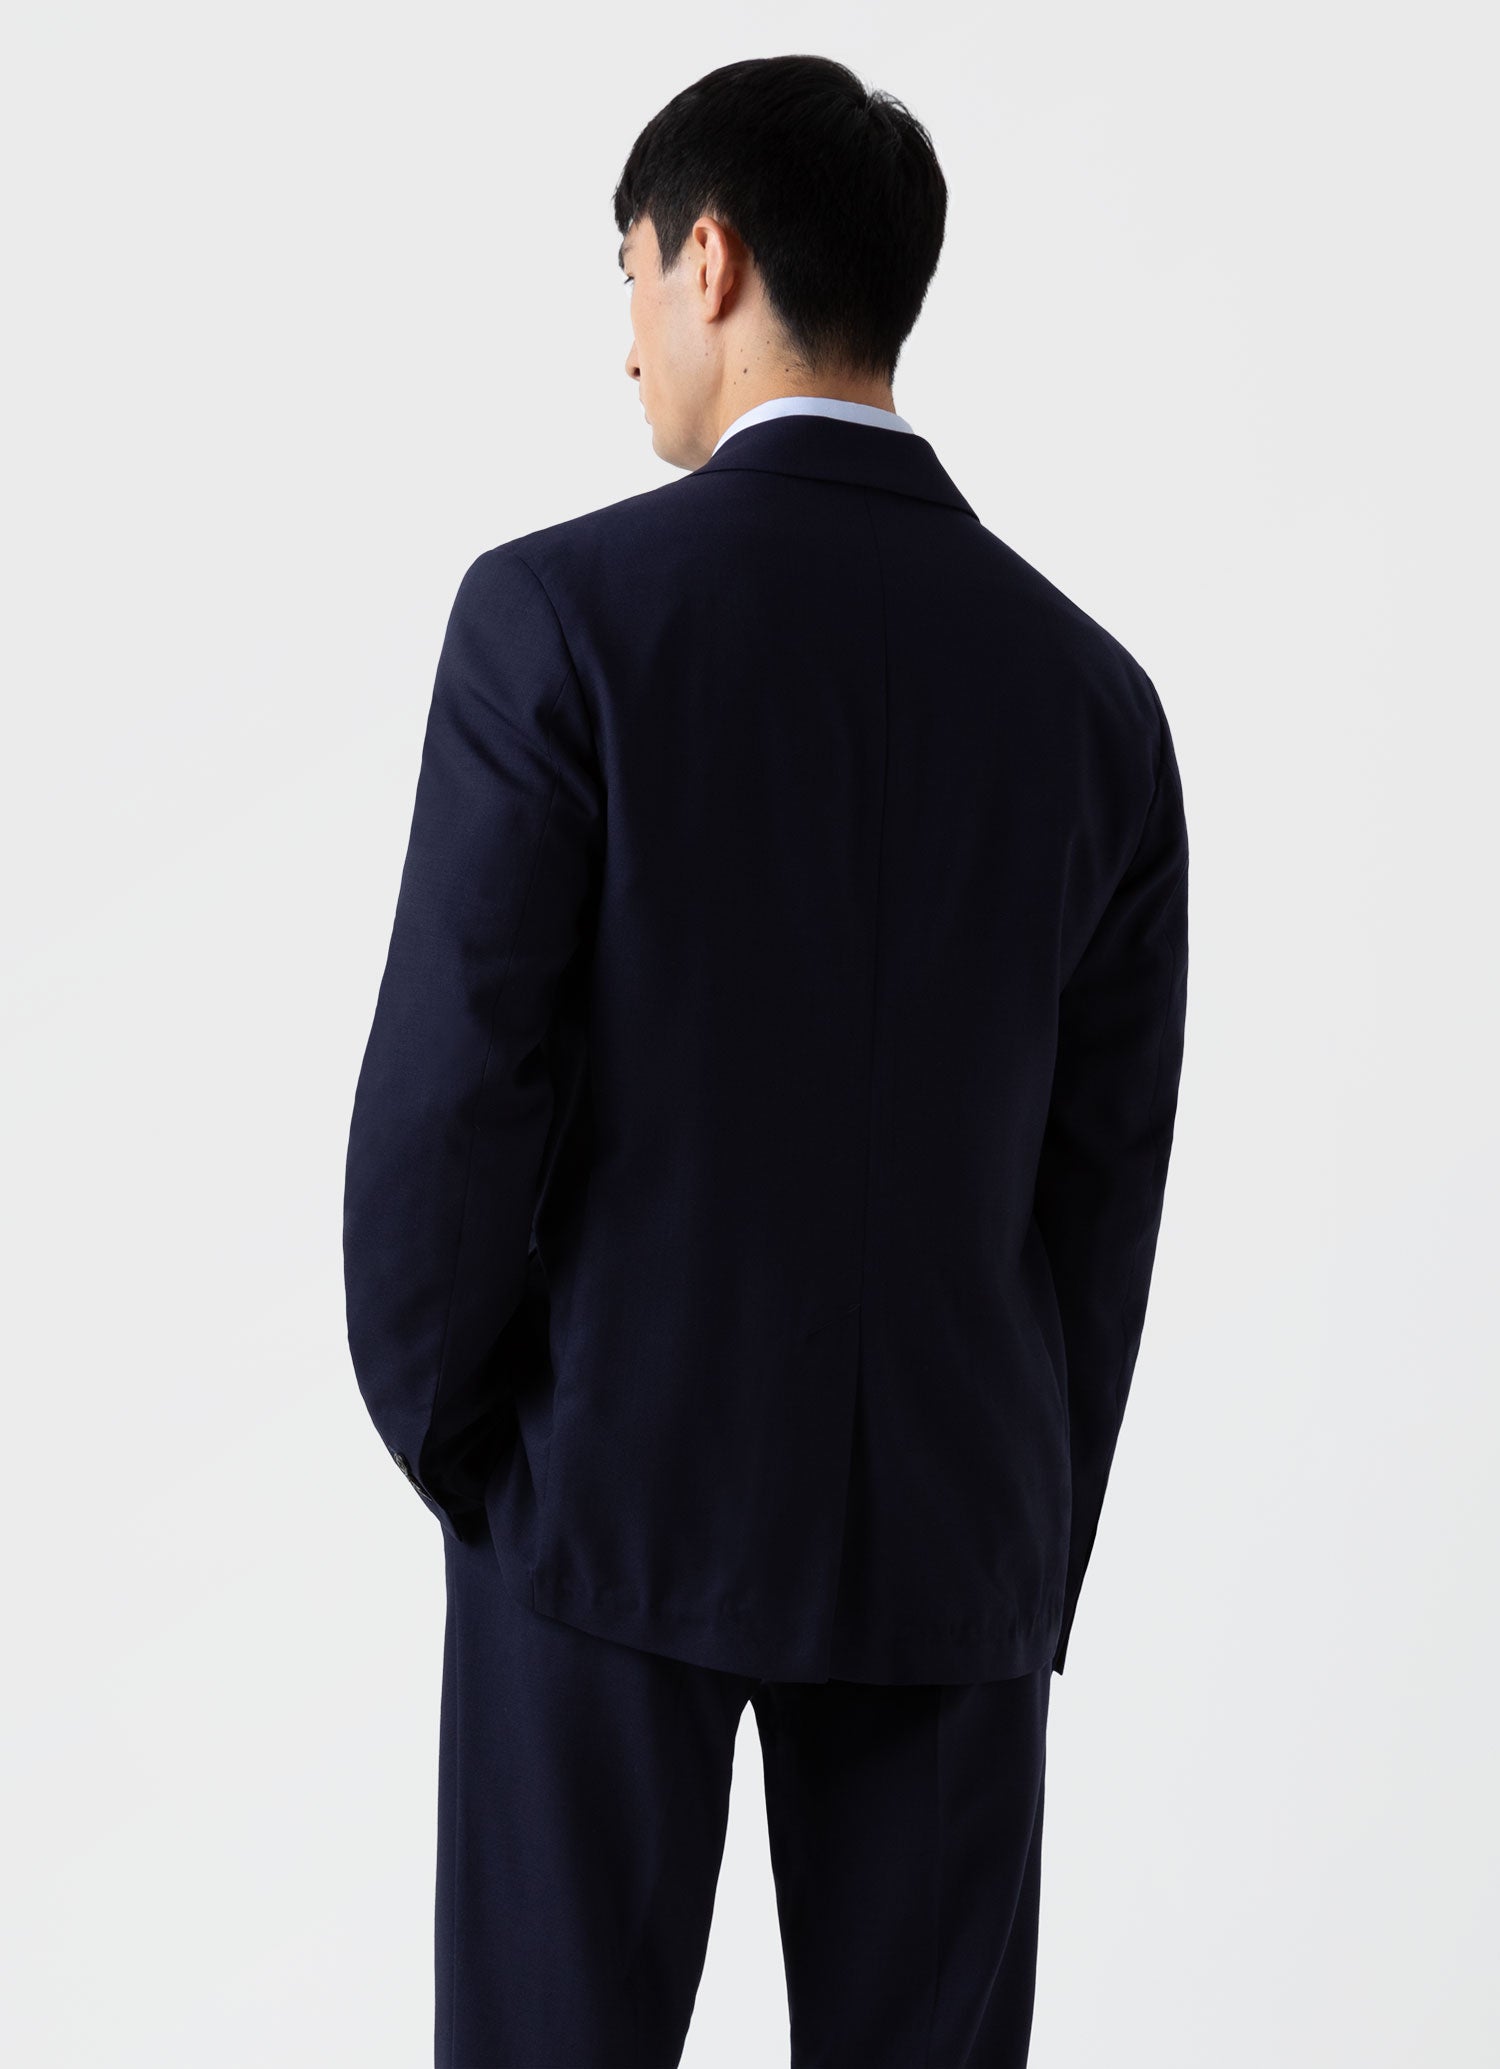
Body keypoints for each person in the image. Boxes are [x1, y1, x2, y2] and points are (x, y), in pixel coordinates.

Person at [343, 51, 1189, 2069]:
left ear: (707, 260)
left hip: (599, 1496)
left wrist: (479, 1458)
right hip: (956, 1538)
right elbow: (1100, 1194)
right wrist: (1020, 1532)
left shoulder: (559, 620)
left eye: (628, 274)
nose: (625, 335)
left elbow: (453, 1100)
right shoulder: (1094, 703)